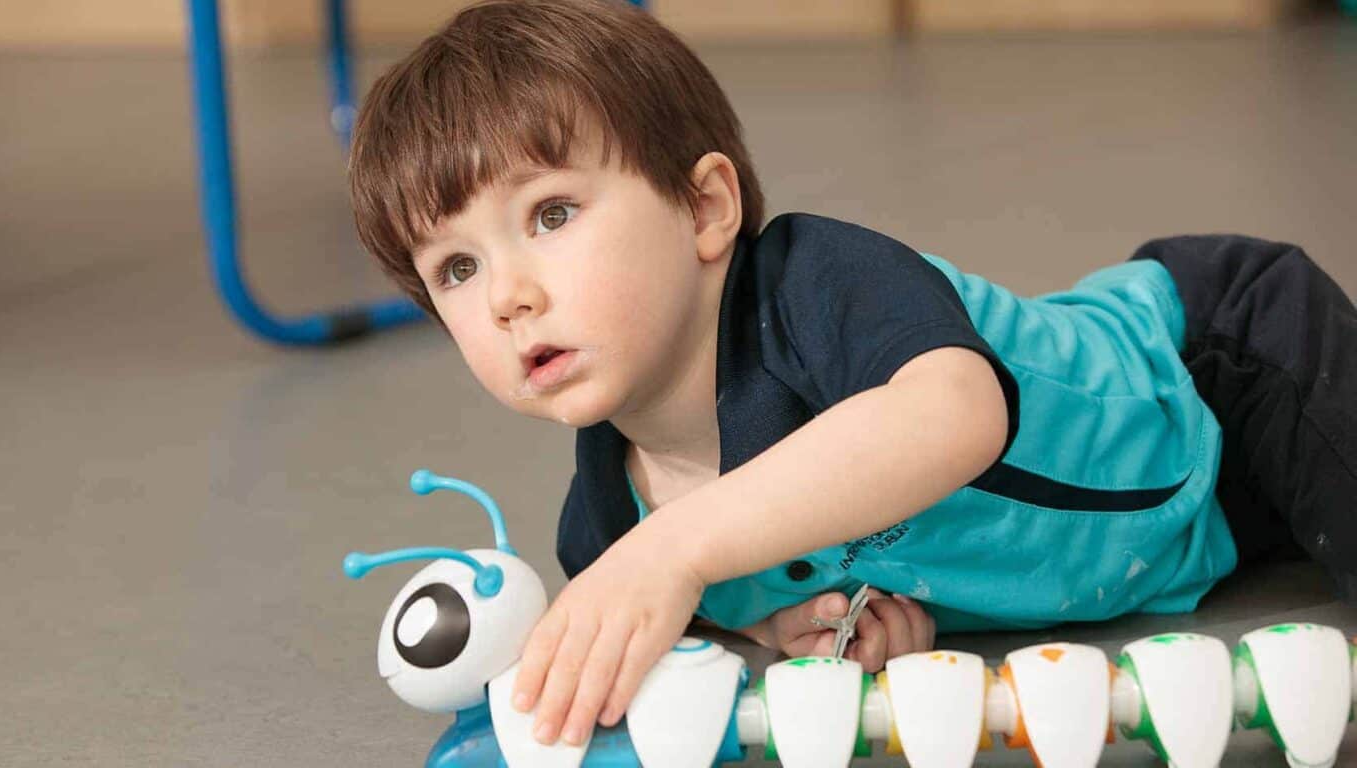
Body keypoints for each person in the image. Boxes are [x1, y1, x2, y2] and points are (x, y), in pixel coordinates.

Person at [346, 0, 1357, 749]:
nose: (507, 295)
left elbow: (953, 416)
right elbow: (748, 636)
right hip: (1193, 540)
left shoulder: (809, 282)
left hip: (1222, 378)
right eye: (457, 269)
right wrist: (826, 633)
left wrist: (678, 556)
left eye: (551, 215)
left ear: (704, 210)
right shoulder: (607, 529)